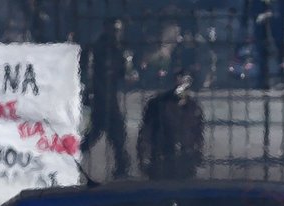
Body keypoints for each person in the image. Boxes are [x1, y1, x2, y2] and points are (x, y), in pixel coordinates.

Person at [80, 18, 137, 179]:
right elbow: (88, 73)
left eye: (119, 30)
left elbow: (123, 74)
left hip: (110, 97)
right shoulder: (97, 49)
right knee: (103, 133)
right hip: (100, 97)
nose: (117, 33)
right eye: (115, 30)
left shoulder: (118, 49)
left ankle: (121, 168)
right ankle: (121, 168)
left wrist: (128, 68)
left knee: (112, 134)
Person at [136, 72, 205, 181]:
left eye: (184, 83)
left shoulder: (192, 107)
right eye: (178, 82)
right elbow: (146, 132)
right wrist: (143, 157)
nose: (181, 86)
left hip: (184, 162)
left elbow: (198, 133)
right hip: (161, 159)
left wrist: (196, 155)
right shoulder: (157, 104)